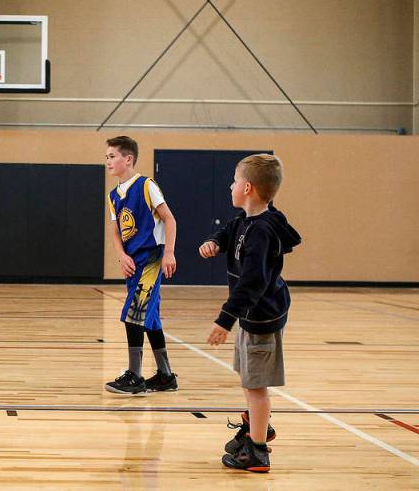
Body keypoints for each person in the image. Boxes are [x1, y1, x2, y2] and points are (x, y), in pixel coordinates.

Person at [201, 154, 300, 473]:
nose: (230, 186)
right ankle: (257, 424)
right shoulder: (248, 219)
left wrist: (224, 320)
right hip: (253, 313)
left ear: (247, 187)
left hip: (260, 316)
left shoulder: (262, 229)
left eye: (233, 180)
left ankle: (257, 451)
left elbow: (253, 280)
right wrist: (215, 242)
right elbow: (230, 232)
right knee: (248, 380)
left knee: (256, 386)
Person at [103, 136, 179, 395]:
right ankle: (166, 376)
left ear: (128, 159)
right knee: (151, 319)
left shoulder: (146, 186)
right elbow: (115, 232)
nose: (108, 161)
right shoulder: (114, 195)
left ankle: (135, 376)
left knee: (133, 312)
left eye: (112, 156)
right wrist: (121, 256)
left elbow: (170, 220)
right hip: (133, 261)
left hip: (152, 258)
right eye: (107, 157)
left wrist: (169, 252)